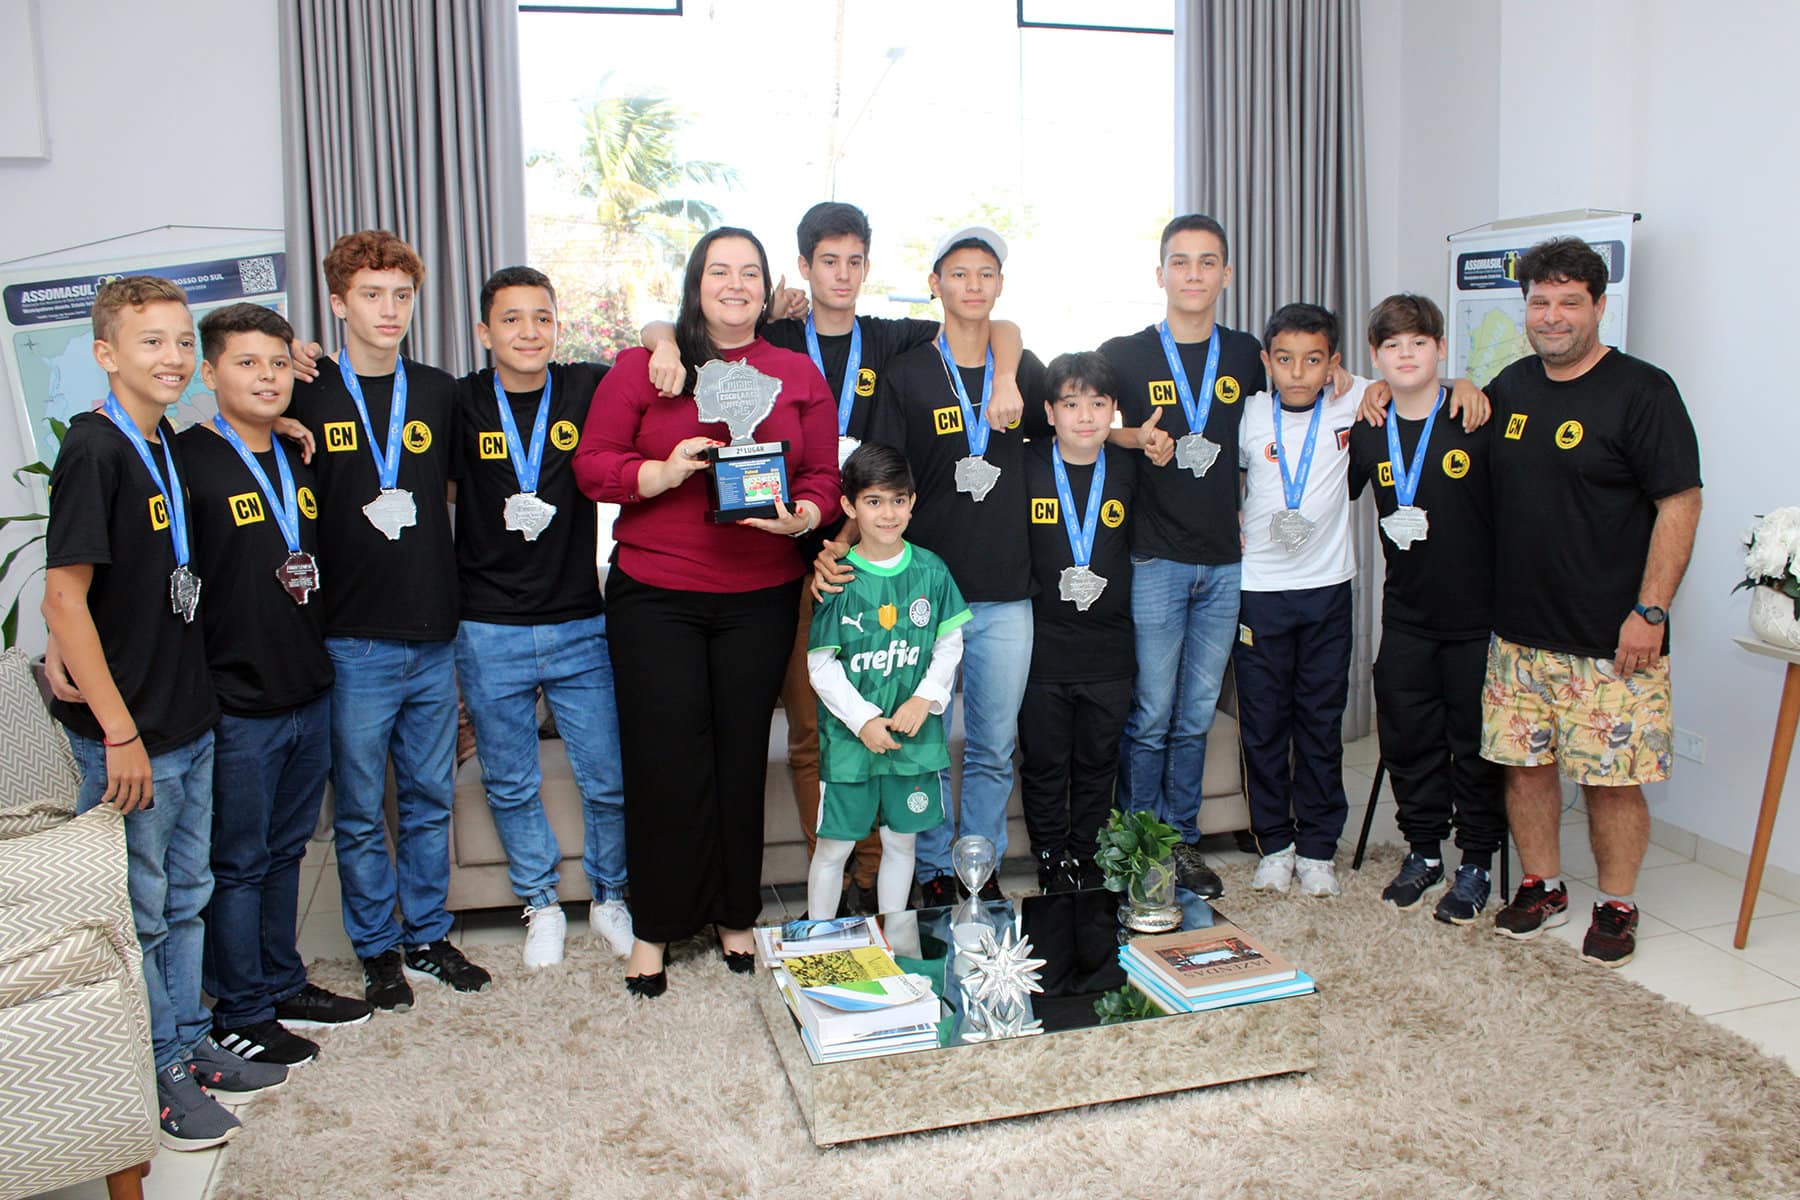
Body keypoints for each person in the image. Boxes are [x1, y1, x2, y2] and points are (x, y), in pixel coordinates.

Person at [645, 201, 1024, 916]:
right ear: (803, 267)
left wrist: (1005, 379)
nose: (842, 274)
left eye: (854, 261)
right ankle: (839, 867)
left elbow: (994, 324)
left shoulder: (891, 336)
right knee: (812, 730)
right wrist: (660, 339)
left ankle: (874, 879)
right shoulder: (778, 329)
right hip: (780, 546)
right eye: (828, 261)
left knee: (879, 712)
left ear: (868, 267)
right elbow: (680, 327)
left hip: (861, 544)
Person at [42, 276, 284, 1152]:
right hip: (130, 734)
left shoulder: (167, 446)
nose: (174, 357)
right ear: (107, 354)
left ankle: (186, 1043)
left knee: (187, 897)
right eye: (152, 342)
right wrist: (117, 732)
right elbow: (64, 598)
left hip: (189, 717)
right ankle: (152, 1074)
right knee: (139, 912)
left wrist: (286, 421)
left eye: (184, 341)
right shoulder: (95, 451)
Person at [574, 226, 839, 997]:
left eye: (748, 273)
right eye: (718, 271)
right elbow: (592, 465)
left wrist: (804, 516)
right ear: (696, 284)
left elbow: (822, 474)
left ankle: (733, 913)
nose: (734, 284)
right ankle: (656, 927)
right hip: (655, 596)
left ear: (765, 288)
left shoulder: (797, 374)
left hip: (758, 597)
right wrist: (658, 472)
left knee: (734, 762)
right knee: (662, 762)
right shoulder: (647, 367)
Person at [1477, 237, 1701, 966]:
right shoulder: (1509, 387)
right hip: (1517, 639)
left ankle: (1616, 902)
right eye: (1539, 302)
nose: (1552, 316)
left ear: (1599, 307)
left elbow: (1680, 502)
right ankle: (1543, 884)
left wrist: (1652, 611)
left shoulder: (1643, 391)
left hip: (1612, 641)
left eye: (1569, 302)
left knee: (1611, 783)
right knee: (1527, 770)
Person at [287, 230, 490, 1009]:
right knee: (365, 808)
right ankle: (375, 949)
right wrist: (288, 352)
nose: (389, 310)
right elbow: (229, 423)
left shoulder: (439, 392)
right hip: (350, 640)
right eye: (370, 295)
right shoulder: (304, 390)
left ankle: (429, 935)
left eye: (402, 295)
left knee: (432, 798)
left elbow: (465, 489)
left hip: (434, 635)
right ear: (338, 303)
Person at [821, 226, 1051, 910]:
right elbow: (882, 474)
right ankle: (931, 870)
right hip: (924, 593)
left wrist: (1131, 434)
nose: (973, 285)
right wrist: (839, 543)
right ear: (935, 284)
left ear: (1000, 285)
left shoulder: (1022, 364)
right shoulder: (909, 372)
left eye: (986, 274)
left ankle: (977, 868)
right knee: (921, 744)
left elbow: (1078, 423)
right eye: (959, 273)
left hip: (1008, 592)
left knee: (990, 747)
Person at [178, 303, 370, 1070]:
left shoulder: (296, 453)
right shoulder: (183, 457)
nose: (265, 376)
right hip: (237, 704)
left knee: (287, 850)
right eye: (246, 362)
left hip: (306, 688)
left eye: (277, 363)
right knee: (239, 861)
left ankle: (281, 981)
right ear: (209, 371)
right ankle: (240, 1008)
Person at [452, 266, 633, 969]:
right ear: (484, 332)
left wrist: (655, 336)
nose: (528, 332)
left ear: (558, 324)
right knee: (510, 780)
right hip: (487, 625)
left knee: (607, 776)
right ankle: (542, 903)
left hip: (579, 623)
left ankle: (612, 896)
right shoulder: (458, 400)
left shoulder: (586, 387)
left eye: (542, 318)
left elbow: (652, 358)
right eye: (511, 319)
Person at [1098, 215, 1263, 901]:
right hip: (1155, 561)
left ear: (1226, 274)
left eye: (1208, 262)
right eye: (1181, 262)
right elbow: (1075, 421)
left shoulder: (1251, 353)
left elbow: (1319, 391)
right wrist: (1132, 436)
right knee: (1153, 712)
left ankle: (1184, 842)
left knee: (1196, 713)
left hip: (1226, 562)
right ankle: (1139, 845)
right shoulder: (1125, 354)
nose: (1194, 274)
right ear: (1159, 272)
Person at [1347, 294, 1504, 924]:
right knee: (1408, 740)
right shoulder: (1367, 427)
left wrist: (1466, 383)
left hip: (1478, 620)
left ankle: (1475, 861)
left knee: (1474, 745)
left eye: (1418, 342)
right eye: (1392, 346)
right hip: (1407, 617)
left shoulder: (1476, 417)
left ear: (1441, 348)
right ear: (1376, 357)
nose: (1406, 354)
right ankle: (1423, 850)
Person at [1234, 303, 1368, 899]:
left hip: (1327, 589)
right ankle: (1274, 844)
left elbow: (1411, 383)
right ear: (1267, 362)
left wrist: (1459, 384)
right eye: (1284, 360)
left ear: (1332, 364)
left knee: (1320, 721)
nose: (1297, 372)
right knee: (1264, 724)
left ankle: (1317, 848)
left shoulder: (1353, 398)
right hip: (1259, 592)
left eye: (1313, 361)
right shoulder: (1250, 414)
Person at [805, 443, 969, 918]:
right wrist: (863, 721)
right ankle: (821, 939)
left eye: (898, 500)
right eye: (874, 501)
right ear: (850, 507)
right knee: (835, 848)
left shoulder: (931, 571)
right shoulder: (838, 578)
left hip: (911, 738)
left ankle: (894, 935)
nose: (888, 512)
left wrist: (925, 699)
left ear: (913, 502)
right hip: (851, 743)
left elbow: (949, 645)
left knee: (902, 843)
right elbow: (821, 666)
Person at [1019, 352, 1138, 892]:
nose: (1085, 415)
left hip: (1110, 651)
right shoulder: (1026, 465)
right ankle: (1050, 860)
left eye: (1097, 403)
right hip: (1042, 650)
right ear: (1049, 411)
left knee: (1097, 763)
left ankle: (1089, 861)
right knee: (1045, 765)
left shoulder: (1131, 468)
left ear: (1114, 411)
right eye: (1071, 403)